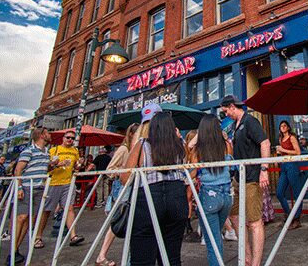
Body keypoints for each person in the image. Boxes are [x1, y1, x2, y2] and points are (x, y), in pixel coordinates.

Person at [120, 111, 187, 265]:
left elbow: (124, 178)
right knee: (171, 257)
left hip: (149, 198)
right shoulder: (180, 146)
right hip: (176, 197)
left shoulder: (142, 145)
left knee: (143, 255)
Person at [220, 95, 270, 266]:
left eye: (226, 111)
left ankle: (255, 263)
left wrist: (264, 169)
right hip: (238, 178)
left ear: (232, 106)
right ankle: (247, 256)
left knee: (255, 221)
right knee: (234, 215)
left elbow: (265, 143)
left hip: (251, 177)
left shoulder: (250, 121)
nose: (225, 114)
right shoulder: (235, 126)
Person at [188, 114, 233, 266]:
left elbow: (192, 172)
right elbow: (231, 165)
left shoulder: (198, 150)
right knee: (216, 236)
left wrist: (192, 144)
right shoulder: (226, 145)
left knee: (212, 240)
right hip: (226, 194)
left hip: (208, 194)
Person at [95, 123, 139, 266]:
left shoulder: (137, 149)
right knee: (119, 219)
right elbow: (110, 169)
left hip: (133, 186)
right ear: (132, 134)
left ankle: (129, 258)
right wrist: (124, 171)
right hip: (123, 186)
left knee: (132, 221)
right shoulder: (123, 149)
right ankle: (101, 255)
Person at [11, 127, 55, 264]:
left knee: (30, 219)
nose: (50, 135)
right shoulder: (28, 150)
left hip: (40, 188)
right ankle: (12, 251)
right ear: (42, 135)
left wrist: (53, 165)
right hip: (27, 187)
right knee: (21, 217)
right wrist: (19, 187)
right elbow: (18, 169)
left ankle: (16, 248)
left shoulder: (47, 153)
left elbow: (44, 168)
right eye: (48, 133)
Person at [34, 131, 84, 249]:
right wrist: (56, 164)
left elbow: (76, 168)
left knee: (69, 208)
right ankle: (38, 236)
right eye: (68, 137)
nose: (70, 140)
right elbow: (46, 167)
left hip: (68, 182)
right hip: (54, 182)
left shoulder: (75, 151)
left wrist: (79, 164)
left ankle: (73, 235)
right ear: (63, 138)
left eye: (72, 138)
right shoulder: (54, 150)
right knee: (46, 210)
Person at [275, 120, 303, 230]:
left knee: (297, 193)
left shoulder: (292, 137)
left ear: (288, 127)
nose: (282, 128)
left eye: (284, 126)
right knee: (279, 192)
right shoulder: (280, 139)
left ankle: (296, 218)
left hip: (292, 165)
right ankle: (288, 214)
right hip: (284, 165)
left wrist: (283, 149)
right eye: (281, 126)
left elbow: (298, 152)